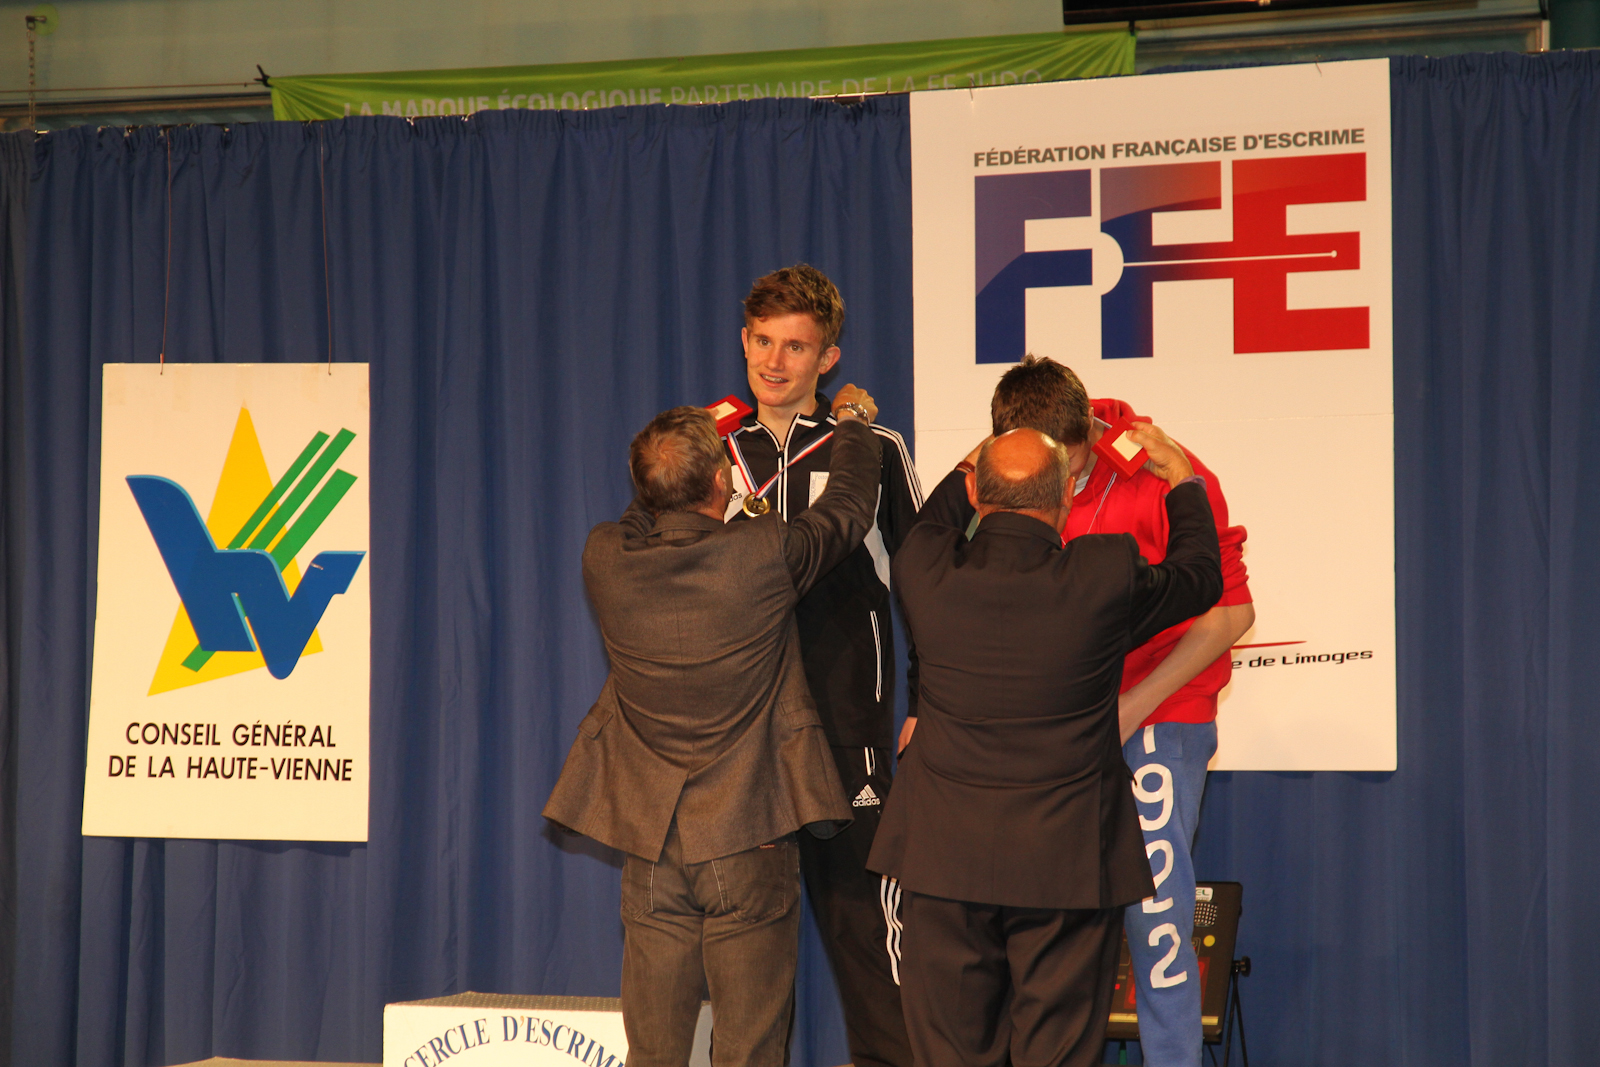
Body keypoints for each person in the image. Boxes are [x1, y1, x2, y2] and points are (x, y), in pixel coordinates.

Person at [542, 387, 884, 1067]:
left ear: (645, 487)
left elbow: (644, 515)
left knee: (653, 1051)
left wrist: (674, 465)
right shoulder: (761, 552)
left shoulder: (605, 557)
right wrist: (850, 425)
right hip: (748, 834)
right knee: (748, 1051)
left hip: (651, 843)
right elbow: (846, 510)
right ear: (723, 482)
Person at [937, 355, 1254, 1067]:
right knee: (1043, 914)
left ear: (1087, 433)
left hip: (1158, 709)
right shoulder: (1005, 476)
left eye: (1073, 470)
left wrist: (1133, 705)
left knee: (1155, 912)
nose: (1064, 487)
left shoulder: (1164, 470)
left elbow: (1232, 612)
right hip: (1053, 722)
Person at [870, 427, 1223, 1067]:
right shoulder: (1101, 574)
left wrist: (973, 462)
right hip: (1066, 862)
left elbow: (933, 519)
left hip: (945, 860)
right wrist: (1182, 481)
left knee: (948, 1056)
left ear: (975, 493)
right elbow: (1199, 578)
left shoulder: (922, 564)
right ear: (1066, 498)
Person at [721, 264, 920, 1067]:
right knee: (741, 953)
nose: (775, 361)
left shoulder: (871, 448)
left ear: (828, 356)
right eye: (764, 341)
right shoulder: (709, 450)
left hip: (846, 728)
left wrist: (928, 701)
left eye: (796, 346)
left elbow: (928, 584)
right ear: (744, 341)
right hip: (739, 737)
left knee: (867, 935)